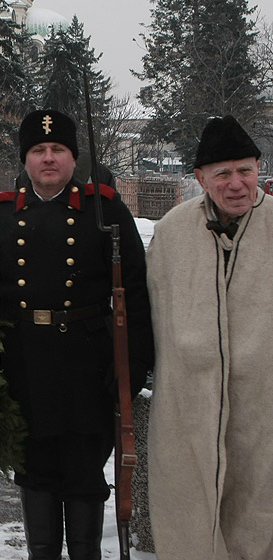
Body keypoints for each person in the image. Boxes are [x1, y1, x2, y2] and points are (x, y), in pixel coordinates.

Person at [0, 109, 153, 560]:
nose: (48, 159)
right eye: (38, 151)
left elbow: (138, 292)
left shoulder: (104, 210)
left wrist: (135, 364)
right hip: (23, 363)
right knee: (35, 471)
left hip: (89, 364)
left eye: (58, 150)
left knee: (85, 474)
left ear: (73, 158)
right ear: (25, 160)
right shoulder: (1, 215)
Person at [146, 116, 273, 560]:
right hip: (188, 406)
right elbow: (154, 317)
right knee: (189, 517)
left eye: (246, 170)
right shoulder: (173, 233)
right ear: (200, 178)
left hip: (263, 409)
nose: (236, 183)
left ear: (259, 168)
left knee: (258, 513)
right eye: (222, 173)